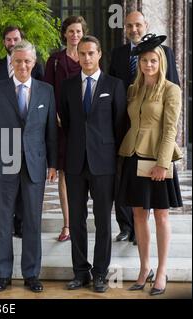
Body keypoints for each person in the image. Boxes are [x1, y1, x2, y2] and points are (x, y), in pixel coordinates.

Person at [0, 40, 58, 293]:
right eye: (18, 61)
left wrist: (53, 164)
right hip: (3, 165)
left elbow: (51, 131)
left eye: (27, 61)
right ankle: (3, 273)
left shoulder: (46, 91)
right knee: (3, 221)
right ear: (11, 63)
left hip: (35, 165)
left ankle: (31, 274)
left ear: (33, 62)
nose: (23, 65)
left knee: (32, 221)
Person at [60, 36, 127, 293]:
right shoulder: (67, 86)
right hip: (76, 163)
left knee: (102, 221)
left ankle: (100, 273)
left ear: (100, 54)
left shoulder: (115, 85)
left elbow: (119, 125)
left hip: (104, 164)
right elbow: (67, 123)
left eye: (91, 53)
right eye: (82, 53)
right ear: (77, 55)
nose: (86, 58)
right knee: (76, 220)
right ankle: (80, 272)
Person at [118, 35, 183, 296]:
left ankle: (162, 270)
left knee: (161, 215)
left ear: (161, 62)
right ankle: (144, 268)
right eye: (144, 60)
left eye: (153, 60)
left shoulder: (171, 90)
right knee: (137, 215)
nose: (148, 64)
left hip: (159, 159)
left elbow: (170, 130)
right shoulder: (134, 90)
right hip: (134, 156)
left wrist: (162, 164)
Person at [110, 11, 180, 245]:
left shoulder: (166, 58)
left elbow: (171, 119)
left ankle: (156, 263)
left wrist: (163, 161)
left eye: (138, 25)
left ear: (145, 25)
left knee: (159, 211)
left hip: (156, 140)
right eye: (129, 25)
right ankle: (126, 229)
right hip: (128, 137)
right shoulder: (120, 58)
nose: (133, 29)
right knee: (131, 200)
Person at [0, 26, 45, 238]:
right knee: (3, 212)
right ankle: (3, 268)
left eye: (16, 39)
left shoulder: (40, 80)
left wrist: (52, 163)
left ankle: (22, 229)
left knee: (29, 207)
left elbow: (44, 119)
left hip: (32, 155)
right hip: (5, 152)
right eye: (9, 39)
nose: (22, 65)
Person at [43, 15, 88, 242]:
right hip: (61, 124)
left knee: (84, 171)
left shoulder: (88, 57)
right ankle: (68, 225)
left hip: (84, 124)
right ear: (64, 34)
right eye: (71, 31)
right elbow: (48, 91)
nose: (75, 35)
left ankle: (82, 222)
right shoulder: (56, 60)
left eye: (78, 31)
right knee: (63, 174)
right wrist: (55, 116)